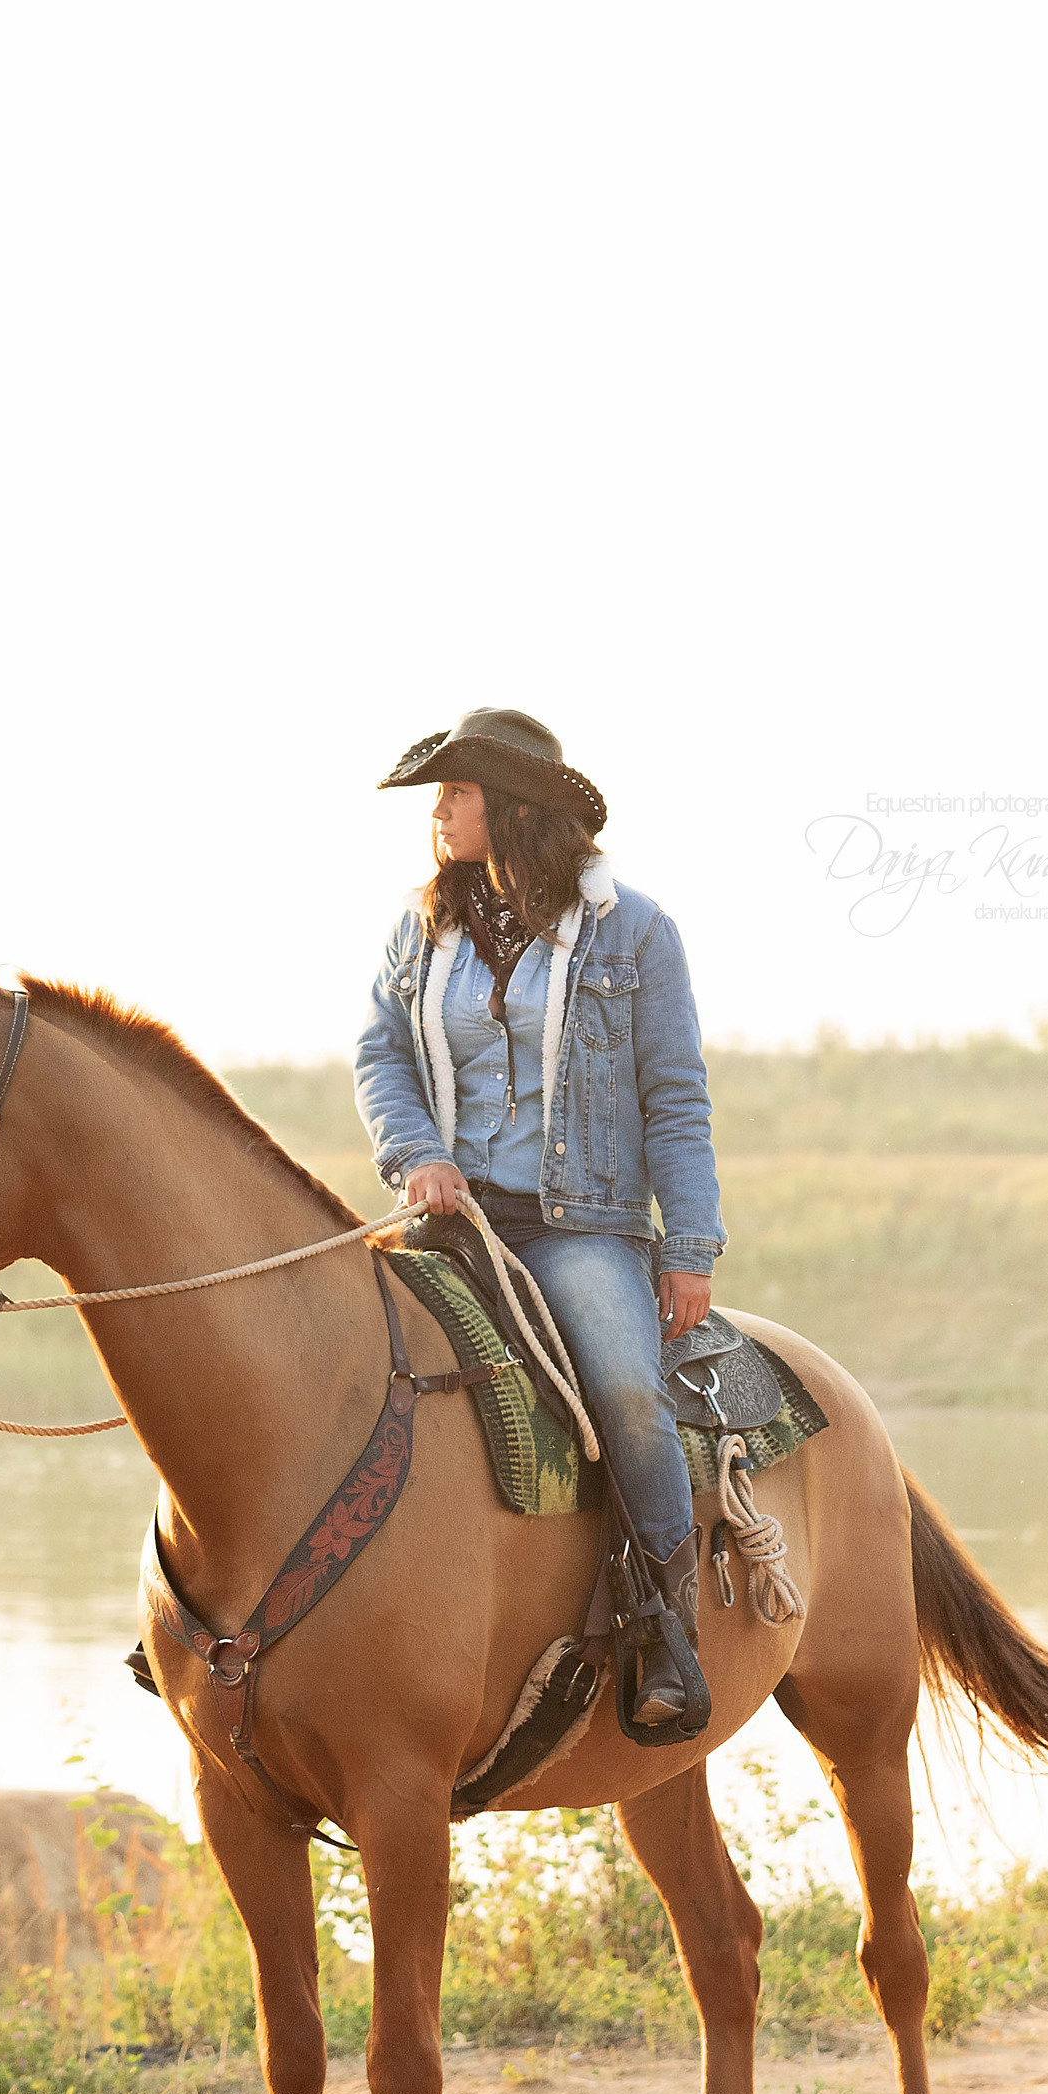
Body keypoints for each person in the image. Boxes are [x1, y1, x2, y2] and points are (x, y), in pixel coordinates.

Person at [353, 706, 724, 1727]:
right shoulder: (418, 926)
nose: (437, 811)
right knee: (316, 1344)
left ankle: (660, 1627)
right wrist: (418, 1155)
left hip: (580, 1225)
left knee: (627, 1394)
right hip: (449, 1219)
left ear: (510, 808)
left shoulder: (632, 931)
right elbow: (379, 1054)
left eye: (455, 792)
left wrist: (686, 1248)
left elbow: (674, 1097)